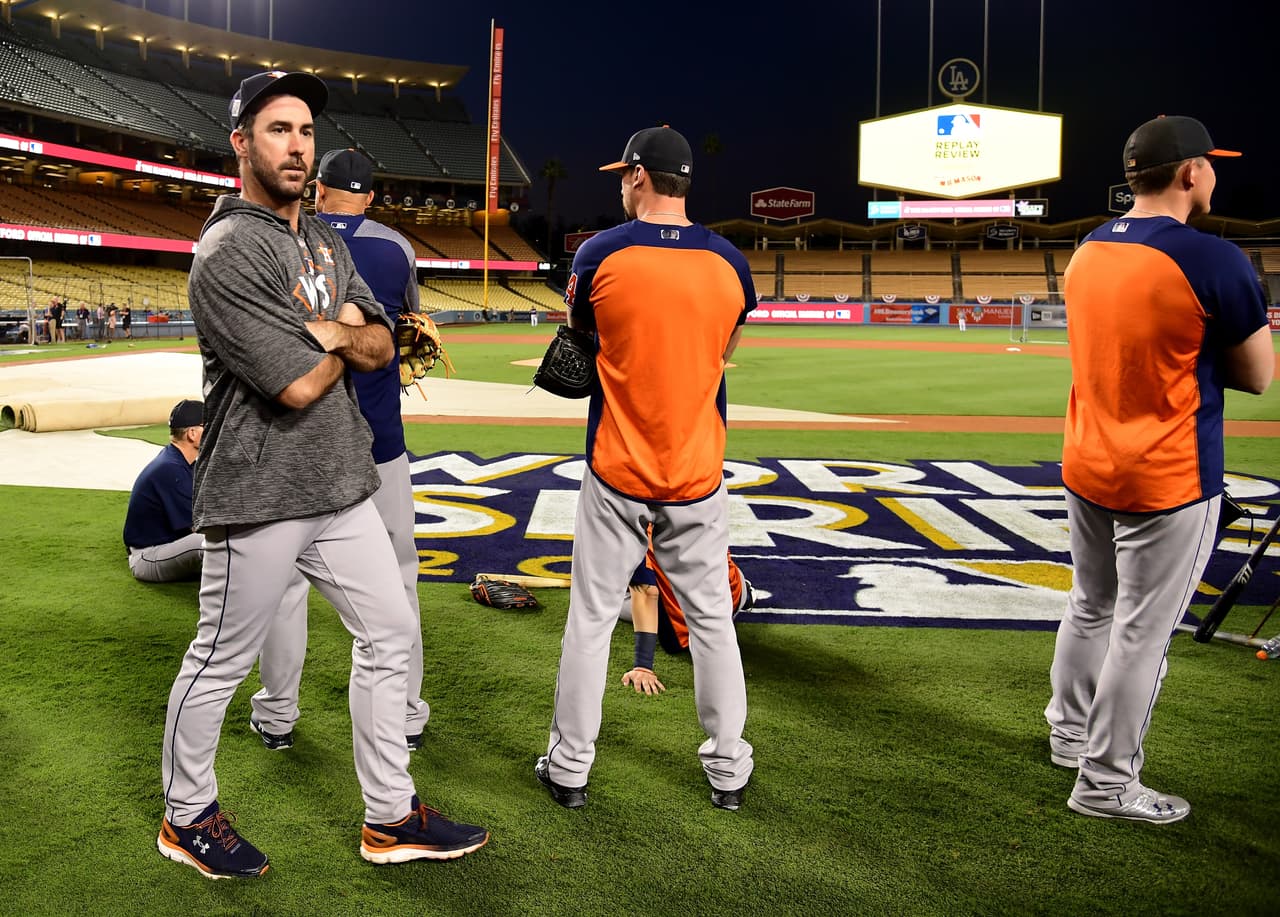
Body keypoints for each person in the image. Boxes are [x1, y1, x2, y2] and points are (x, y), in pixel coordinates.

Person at [156, 70, 488, 881]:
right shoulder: (229, 250)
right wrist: (343, 330)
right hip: (261, 490)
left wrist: (332, 330)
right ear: (241, 142)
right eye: (278, 129)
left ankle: (390, 816)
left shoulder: (323, 239)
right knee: (220, 661)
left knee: (391, 632)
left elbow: (385, 341)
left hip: (339, 485)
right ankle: (186, 814)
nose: (297, 144)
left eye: (305, 130)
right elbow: (297, 383)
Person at [1045, 115, 1273, 825]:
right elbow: (1258, 375)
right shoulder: (1213, 259)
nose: (1212, 173)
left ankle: (1069, 734)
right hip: (1169, 475)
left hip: (1088, 462)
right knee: (1142, 633)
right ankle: (1107, 781)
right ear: (1189, 173)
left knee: (1090, 606)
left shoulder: (1087, 249)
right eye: (1209, 163)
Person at [536, 126, 755, 812]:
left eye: (622, 174)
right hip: (696, 469)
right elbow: (726, 350)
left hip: (617, 466)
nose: (619, 183)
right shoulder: (730, 263)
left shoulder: (600, 252)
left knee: (590, 619)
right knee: (713, 619)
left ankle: (569, 769)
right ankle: (729, 771)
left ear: (638, 176)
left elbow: (578, 334)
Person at [250, 147, 431, 755]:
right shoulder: (393, 248)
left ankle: (276, 715)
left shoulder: (290, 240)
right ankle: (406, 714)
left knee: (284, 588)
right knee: (400, 580)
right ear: (372, 197)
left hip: (300, 442)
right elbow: (403, 323)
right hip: (380, 442)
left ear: (318, 188)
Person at [621, 548, 755, 696]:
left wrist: (643, 666)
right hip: (732, 594)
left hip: (683, 625)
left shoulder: (642, 530)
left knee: (607, 593)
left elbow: (646, 593)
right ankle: (746, 594)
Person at [122, 399, 205, 582]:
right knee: (207, 542)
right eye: (208, 425)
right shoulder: (171, 469)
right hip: (147, 556)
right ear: (192, 433)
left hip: (167, 546)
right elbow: (197, 526)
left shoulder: (180, 460)